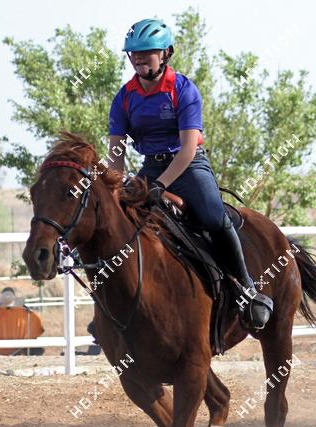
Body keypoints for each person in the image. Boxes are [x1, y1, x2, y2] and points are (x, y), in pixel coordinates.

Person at [107, 17, 272, 330]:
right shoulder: (124, 97)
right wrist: (115, 187)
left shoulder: (183, 90)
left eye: (147, 52)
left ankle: (247, 289)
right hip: (150, 167)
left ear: (165, 53)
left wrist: (160, 185)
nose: (139, 58)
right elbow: (116, 152)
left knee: (213, 217)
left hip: (188, 165)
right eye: (134, 53)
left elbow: (187, 149)